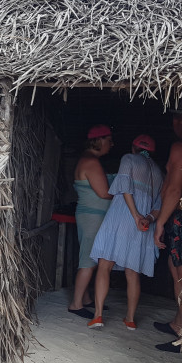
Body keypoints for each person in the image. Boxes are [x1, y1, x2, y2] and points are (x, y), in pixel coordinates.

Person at [88, 134, 164, 330]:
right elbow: (158, 206)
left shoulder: (128, 159)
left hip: (122, 216)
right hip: (144, 224)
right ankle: (130, 319)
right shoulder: (158, 173)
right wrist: (147, 219)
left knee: (105, 263)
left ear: (133, 147)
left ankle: (98, 316)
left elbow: (125, 188)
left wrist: (135, 215)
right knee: (132, 271)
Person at [152, 113, 182, 352]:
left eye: (179, 119)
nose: (175, 124)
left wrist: (160, 222)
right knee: (174, 265)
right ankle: (178, 322)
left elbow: (174, 190)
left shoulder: (181, 147)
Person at [68, 125, 114, 319]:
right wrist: (124, 194)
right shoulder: (91, 162)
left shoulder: (87, 160)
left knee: (90, 257)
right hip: (92, 216)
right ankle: (76, 303)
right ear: (99, 140)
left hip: (90, 215)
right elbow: (104, 193)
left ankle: (85, 298)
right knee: (88, 258)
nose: (112, 144)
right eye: (109, 140)